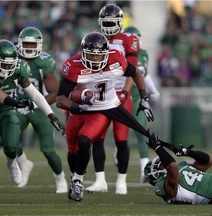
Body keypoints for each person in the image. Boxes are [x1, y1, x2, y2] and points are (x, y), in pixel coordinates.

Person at [56, 32, 154, 202]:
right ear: (83, 53)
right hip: (78, 111)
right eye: (91, 55)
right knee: (72, 151)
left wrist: (144, 96)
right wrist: (77, 105)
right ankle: (75, 178)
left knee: (85, 140)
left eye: (98, 55)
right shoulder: (73, 65)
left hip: (101, 109)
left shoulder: (115, 59)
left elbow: (136, 72)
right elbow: (60, 99)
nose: (95, 59)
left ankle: (78, 181)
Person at [0, 39, 66, 201]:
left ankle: (13, 164)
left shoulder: (19, 68)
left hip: (8, 111)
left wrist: (52, 115)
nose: (7, 68)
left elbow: (35, 94)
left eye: (10, 64)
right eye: (3, 64)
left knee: (11, 146)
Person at [86, 3, 141, 195]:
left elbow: (132, 71)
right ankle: (100, 180)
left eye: (111, 22)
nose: (109, 25)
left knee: (121, 139)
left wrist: (125, 93)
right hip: (102, 95)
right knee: (97, 138)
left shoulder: (128, 39)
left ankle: (121, 181)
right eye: (106, 22)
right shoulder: (94, 39)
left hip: (120, 94)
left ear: (119, 22)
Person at [15, 27, 68, 193]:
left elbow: (54, 92)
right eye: (26, 44)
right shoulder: (13, 56)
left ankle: (60, 178)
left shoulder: (44, 61)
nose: (29, 48)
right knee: (9, 136)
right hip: (18, 105)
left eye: (32, 44)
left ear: (39, 45)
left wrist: (35, 104)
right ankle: (24, 163)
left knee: (48, 150)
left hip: (40, 108)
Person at [124, 26, 160, 183]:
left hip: (137, 96)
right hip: (121, 96)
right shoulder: (119, 51)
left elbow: (144, 74)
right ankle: (119, 158)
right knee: (120, 134)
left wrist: (153, 90)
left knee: (141, 132)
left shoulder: (144, 54)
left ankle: (144, 169)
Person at [145, 132, 212, 204]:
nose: (165, 164)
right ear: (154, 174)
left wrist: (187, 152)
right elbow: (172, 167)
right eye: (162, 165)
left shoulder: (181, 166)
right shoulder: (162, 185)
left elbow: (208, 161)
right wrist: (157, 147)